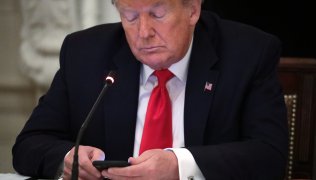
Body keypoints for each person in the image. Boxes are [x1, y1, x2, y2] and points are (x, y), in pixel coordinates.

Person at [12, 0, 288, 179]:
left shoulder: (248, 53)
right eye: (130, 17)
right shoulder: (85, 53)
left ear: (193, 10)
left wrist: (179, 165)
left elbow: (270, 155)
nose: (143, 32)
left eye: (157, 14)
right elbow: (28, 145)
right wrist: (69, 158)